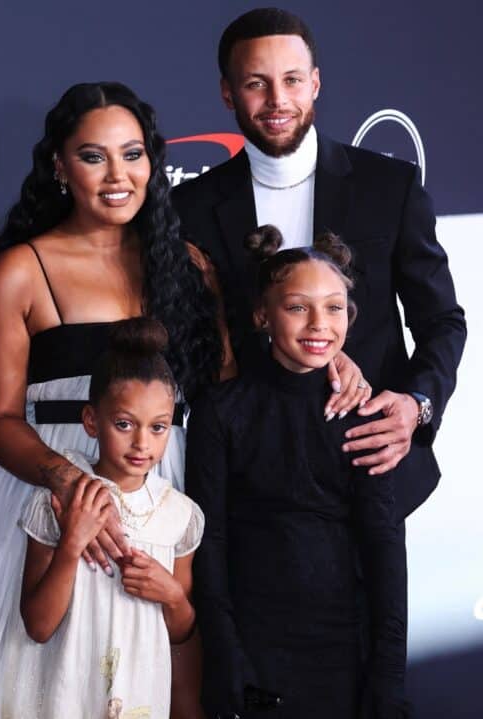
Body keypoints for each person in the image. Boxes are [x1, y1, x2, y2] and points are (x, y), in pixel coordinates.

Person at [0, 82, 222, 719]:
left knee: (145, 667)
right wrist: (77, 491)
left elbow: (229, 389)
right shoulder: (21, 270)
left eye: (132, 155)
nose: (117, 176)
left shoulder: (180, 267)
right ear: (58, 164)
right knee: (37, 680)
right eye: (92, 156)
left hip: (159, 485)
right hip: (47, 499)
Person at [173, 7, 466, 516]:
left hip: (372, 467)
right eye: (256, 84)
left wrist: (415, 408)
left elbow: (441, 321)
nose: (277, 100)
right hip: (249, 486)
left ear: (315, 84)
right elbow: (188, 345)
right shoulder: (190, 208)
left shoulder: (389, 188)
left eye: (291, 80)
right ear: (227, 93)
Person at [186, 226, 409, 718]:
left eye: (334, 307)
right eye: (297, 307)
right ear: (263, 315)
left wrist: (389, 669)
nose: (318, 324)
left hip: (346, 647)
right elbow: (210, 541)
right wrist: (226, 657)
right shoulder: (220, 411)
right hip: (254, 643)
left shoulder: (365, 417)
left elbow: (384, 545)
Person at [1, 318, 204, 719]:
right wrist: (72, 544)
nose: (142, 443)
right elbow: (38, 626)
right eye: (124, 424)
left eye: (158, 427)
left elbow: (180, 630)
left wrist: (173, 596)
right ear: (92, 421)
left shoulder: (180, 516)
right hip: (66, 695)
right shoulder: (58, 503)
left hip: (139, 698)